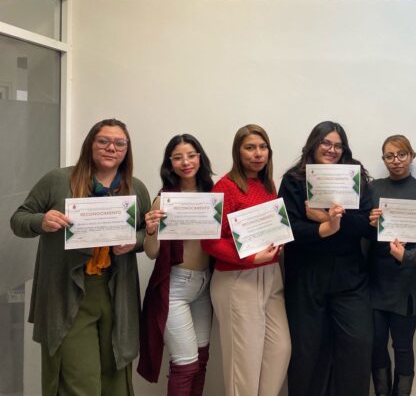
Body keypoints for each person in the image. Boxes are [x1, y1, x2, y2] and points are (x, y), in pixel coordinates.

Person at [10, 118, 150, 395]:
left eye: (119, 143)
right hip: (68, 293)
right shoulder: (58, 180)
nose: (111, 148)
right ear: (90, 144)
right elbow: (18, 219)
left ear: (127, 149)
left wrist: (134, 241)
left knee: (115, 377)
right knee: (78, 382)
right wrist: (41, 221)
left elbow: (148, 233)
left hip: (116, 291)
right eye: (103, 141)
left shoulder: (135, 188)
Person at [278, 121, 373, 396]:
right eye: (326, 143)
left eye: (338, 145)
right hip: (306, 278)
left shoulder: (355, 177)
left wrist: (324, 219)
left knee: (357, 347)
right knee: (306, 354)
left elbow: (367, 225)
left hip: (350, 277)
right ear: (314, 144)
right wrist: (326, 227)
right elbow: (289, 229)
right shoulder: (294, 180)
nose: (332, 150)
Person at [201, 124, 290, 396]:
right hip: (237, 281)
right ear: (238, 152)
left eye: (263, 147)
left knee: (280, 350)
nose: (258, 153)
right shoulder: (225, 187)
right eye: (250, 148)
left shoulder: (268, 185)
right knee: (244, 364)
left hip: (271, 277)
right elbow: (209, 241)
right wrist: (250, 258)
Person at [137, 134, 215, 395]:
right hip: (176, 286)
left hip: (205, 285)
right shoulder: (164, 199)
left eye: (191, 155)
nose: (186, 162)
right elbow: (152, 253)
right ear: (170, 163)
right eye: (178, 157)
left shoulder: (212, 196)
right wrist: (151, 231)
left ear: (200, 158)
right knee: (185, 364)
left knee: (201, 360)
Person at [367, 135, 416, 396]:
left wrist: (407, 256)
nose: (396, 161)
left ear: (411, 156)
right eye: (390, 156)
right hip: (375, 282)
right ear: (383, 159)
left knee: (403, 348)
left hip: (408, 284)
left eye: (402, 154)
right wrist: (369, 223)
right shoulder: (373, 189)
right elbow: (360, 232)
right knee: (376, 345)